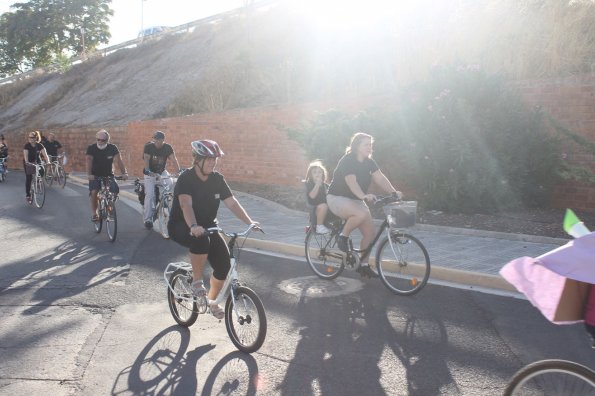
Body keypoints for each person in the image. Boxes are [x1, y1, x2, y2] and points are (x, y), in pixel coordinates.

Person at [168, 140, 259, 319]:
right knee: (201, 240)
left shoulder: (217, 179)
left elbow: (232, 203)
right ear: (198, 159)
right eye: (208, 159)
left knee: (224, 266)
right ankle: (197, 282)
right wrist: (193, 226)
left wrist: (249, 222)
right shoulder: (186, 178)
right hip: (181, 224)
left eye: (214, 159)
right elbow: (186, 205)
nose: (212, 162)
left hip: (208, 225)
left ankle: (212, 301)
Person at [326, 132, 402, 278]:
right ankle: (343, 236)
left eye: (370, 145)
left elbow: (380, 178)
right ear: (357, 146)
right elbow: (351, 182)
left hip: (355, 201)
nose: (369, 147)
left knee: (370, 234)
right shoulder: (347, 160)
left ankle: (364, 265)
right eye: (366, 144)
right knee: (360, 214)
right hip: (337, 198)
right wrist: (364, 196)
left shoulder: (369, 162)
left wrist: (394, 192)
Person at [86, 129, 128, 222]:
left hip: (108, 174)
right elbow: (89, 161)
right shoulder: (91, 148)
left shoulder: (112, 148)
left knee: (115, 190)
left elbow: (119, 161)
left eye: (103, 140)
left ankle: (110, 208)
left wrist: (124, 173)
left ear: (107, 140)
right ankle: (94, 213)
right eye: (98, 139)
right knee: (94, 192)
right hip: (95, 175)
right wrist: (89, 174)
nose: (100, 142)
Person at [142, 130, 181, 229]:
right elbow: (146, 159)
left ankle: (163, 201)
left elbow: (174, 159)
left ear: (163, 140)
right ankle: (147, 219)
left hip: (161, 171)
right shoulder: (149, 147)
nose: (155, 141)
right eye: (154, 139)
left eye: (158, 140)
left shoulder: (167, 147)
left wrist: (178, 171)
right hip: (150, 173)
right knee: (150, 195)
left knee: (169, 182)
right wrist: (148, 171)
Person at [304, 160, 331, 234]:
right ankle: (319, 226)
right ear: (310, 175)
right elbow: (312, 196)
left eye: (319, 172)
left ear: (323, 174)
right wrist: (317, 185)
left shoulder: (325, 185)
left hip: (326, 209)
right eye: (314, 172)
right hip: (315, 209)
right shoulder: (309, 184)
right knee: (323, 206)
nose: (317, 174)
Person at [23, 131, 50, 203]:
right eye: (29, 137)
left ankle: (38, 180)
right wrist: (27, 162)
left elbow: (45, 154)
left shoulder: (39, 145)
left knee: (42, 170)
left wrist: (48, 161)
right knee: (29, 178)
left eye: (32, 137)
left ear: (36, 138)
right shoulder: (27, 146)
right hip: (28, 161)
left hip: (37, 160)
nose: (30, 139)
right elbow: (25, 155)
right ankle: (28, 195)